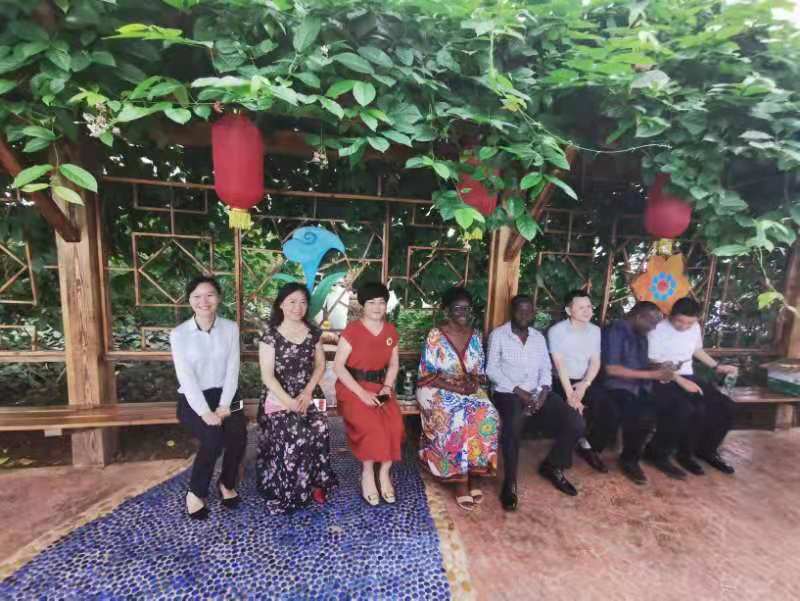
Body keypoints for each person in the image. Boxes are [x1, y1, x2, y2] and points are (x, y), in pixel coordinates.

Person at [487, 295, 585, 510]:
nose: (524, 315)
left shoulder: (538, 338)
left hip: (537, 391)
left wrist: (543, 392)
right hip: (508, 392)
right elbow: (491, 370)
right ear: (511, 311)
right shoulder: (499, 335)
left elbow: (545, 369)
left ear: (533, 313)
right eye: (519, 310)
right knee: (513, 425)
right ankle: (510, 482)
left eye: (528, 311)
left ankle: (553, 466)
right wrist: (518, 391)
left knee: (576, 422)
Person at [256, 283, 338, 513]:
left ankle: (317, 482)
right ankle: (290, 488)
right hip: (278, 396)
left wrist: (308, 391)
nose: (297, 307)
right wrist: (289, 402)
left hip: (310, 393)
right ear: (281, 305)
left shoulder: (313, 333)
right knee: (296, 435)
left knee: (320, 429)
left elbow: (320, 365)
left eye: (302, 302)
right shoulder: (270, 336)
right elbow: (267, 376)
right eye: (292, 301)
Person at [169, 275, 246, 519]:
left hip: (228, 396)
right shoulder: (179, 334)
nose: (204, 301)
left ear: (219, 298)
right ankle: (195, 491)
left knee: (238, 435)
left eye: (210, 295)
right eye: (197, 296)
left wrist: (224, 405)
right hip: (193, 399)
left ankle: (227, 483)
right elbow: (186, 377)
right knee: (213, 438)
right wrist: (205, 412)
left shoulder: (230, 328)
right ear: (189, 300)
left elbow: (233, 369)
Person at [417, 287, 499, 512]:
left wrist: (472, 384)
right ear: (447, 311)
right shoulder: (436, 335)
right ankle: (459, 480)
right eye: (457, 308)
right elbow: (427, 373)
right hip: (435, 387)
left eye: (467, 308)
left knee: (487, 413)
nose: (463, 313)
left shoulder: (475, 336)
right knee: (455, 416)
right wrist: (455, 388)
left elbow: (478, 370)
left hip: (466, 387)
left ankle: (474, 472)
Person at [595, 301, 684, 485]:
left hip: (641, 385)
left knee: (677, 407)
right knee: (643, 414)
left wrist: (660, 366)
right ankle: (629, 460)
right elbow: (611, 369)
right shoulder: (616, 331)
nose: (653, 328)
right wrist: (653, 374)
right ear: (639, 317)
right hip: (617, 387)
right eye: (652, 323)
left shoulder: (640, 333)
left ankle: (657, 454)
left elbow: (641, 364)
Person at [647, 297, 737, 475]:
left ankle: (706, 450)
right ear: (671, 315)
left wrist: (717, 366)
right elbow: (653, 362)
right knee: (686, 408)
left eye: (689, 323)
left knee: (726, 406)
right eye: (679, 321)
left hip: (688, 375)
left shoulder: (695, 327)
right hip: (661, 378)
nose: (684, 326)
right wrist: (679, 380)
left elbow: (696, 350)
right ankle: (659, 453)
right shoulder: (657, 329)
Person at [333, 282, 404, 506]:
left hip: (381, 387)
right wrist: (361, 393)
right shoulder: (352, 331)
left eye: (381, 302)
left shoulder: (391, 331)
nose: (377, 307)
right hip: (352, 387)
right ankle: (367, 473)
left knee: (394, 425)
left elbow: (393, 364)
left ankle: (384, 472)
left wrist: (387, 387)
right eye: (371, 302)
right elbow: (338, 367)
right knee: (371, 426)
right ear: (363, 305)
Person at [547, 289, 610, 474]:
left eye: (589, 306)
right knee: (573, 415)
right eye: (581, 307)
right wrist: (571, 396)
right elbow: (559, 365)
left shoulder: (595, 331)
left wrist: (585, 384)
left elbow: (595, 361)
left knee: (607, 408)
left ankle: (588, 446)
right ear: (569, 311)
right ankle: (557, 462)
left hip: (584, 381)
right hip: (561, 381)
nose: (587, 311)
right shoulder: (557, 331)